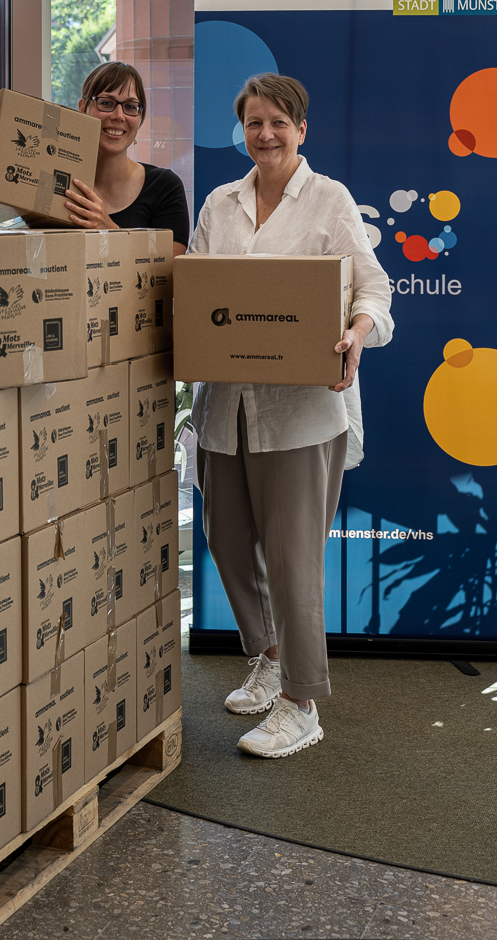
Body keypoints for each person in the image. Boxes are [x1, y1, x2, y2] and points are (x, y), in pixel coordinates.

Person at [190, 73, 393, 759]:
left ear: (301, 129)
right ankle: (272, 656)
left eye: (279, 121)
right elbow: (196, 285)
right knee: (225, 537)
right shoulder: (220, 203)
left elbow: (373, 285)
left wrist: (359, 331)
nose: (266, 134)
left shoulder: (330, 199)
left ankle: (302, 703)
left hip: (301, 412)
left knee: (293, 558)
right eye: (254, 122)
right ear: (241, 130)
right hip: (225, 405)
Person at [63, 61, 190, 257]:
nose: (119, 115)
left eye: (130, 106)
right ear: (82, 108)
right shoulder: (60, 182)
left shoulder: (165, 187)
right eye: (106, 103)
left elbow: (168, 271)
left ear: (139, 119)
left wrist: (110, 230)